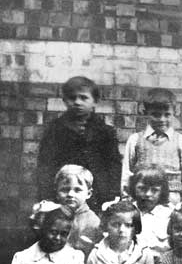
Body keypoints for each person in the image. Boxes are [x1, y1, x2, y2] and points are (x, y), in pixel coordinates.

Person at [37, 76, 121, 212]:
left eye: (83, 98)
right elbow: (45, 166)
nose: (77, 102)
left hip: (96, 194)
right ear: (64, 100)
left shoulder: (105, 132)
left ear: (95, 101)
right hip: (64, 193)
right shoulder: (55, 130)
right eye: (72, 98)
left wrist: (111, 195)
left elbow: (114, 166)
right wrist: (48, 197)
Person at [121, 88, 182, 204]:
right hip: (142, 199)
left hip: (172, 201)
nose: (162, 119)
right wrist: (126, 200)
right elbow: (127, 174)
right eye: (156, 115)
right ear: (146, 113)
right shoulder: (135, 140)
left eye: (167, 115)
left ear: (174, 112)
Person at [53, 164, 102, 257]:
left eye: (77, 190)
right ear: (56, 192)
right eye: (65, 189)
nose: (70, 194)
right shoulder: (51, 215)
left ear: (88, 193)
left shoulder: (93, 222)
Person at [128, 167, 173, 255]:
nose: (148, 194)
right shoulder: (127, 212)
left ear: (162, 191)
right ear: (133, 188)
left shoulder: (170, 214)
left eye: (154, 190)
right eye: (142, 188)